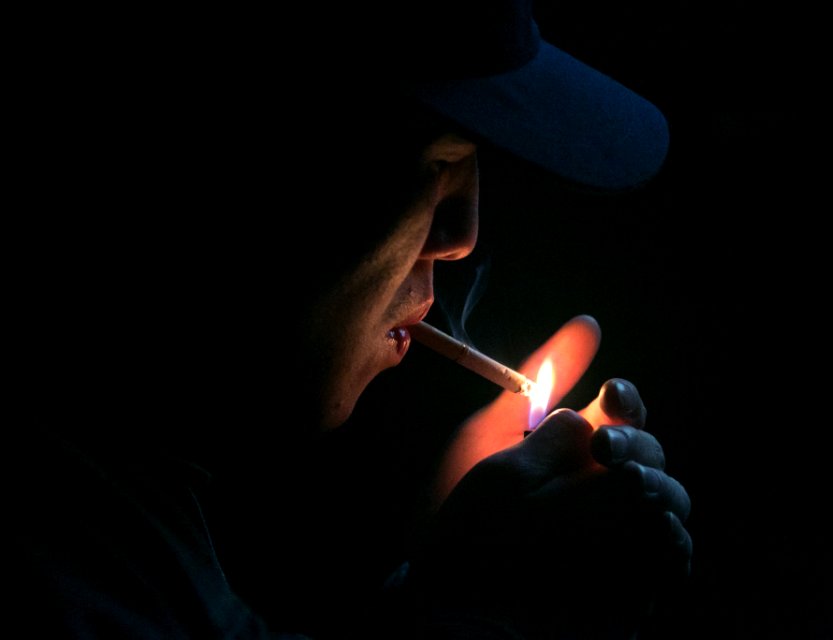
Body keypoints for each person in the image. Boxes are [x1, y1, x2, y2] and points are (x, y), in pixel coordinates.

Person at [12, 2, 692, 638]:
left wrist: (438, 588)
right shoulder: (50, 552)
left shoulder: (126, 502)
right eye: (438, 160)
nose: (462, 234)